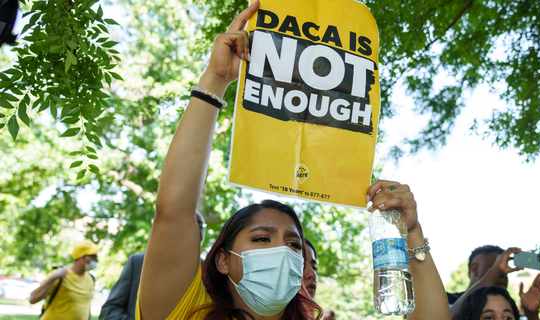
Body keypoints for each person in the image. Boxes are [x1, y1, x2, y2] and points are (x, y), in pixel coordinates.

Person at [135, 1, 451, 319]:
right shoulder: (185, 312)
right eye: (261, 238)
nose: (282, 252)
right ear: (222, 260)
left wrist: (411, 233)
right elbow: (173, 211)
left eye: (295, 246)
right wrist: (214, 81)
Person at [99, 212, 206, 320]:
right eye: (190, 225)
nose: (195, 230)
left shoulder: (209, 269)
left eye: (200, 225)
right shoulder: (137, 263)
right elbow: (109, 310)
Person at [447, 245, 540, 320]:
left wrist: (531, 314)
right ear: (475, 270)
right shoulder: (448, 301)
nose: (504, 273)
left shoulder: (511, 311)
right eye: (489, 318)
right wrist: (496, 270)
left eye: (506, 318)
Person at [29, 239, 101, 320]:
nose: (97, 260)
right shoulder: (59, 274)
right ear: (84, 257)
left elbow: (87, 306)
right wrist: (53, 278)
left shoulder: (90, 278)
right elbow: (33, 299)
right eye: (94, 257)